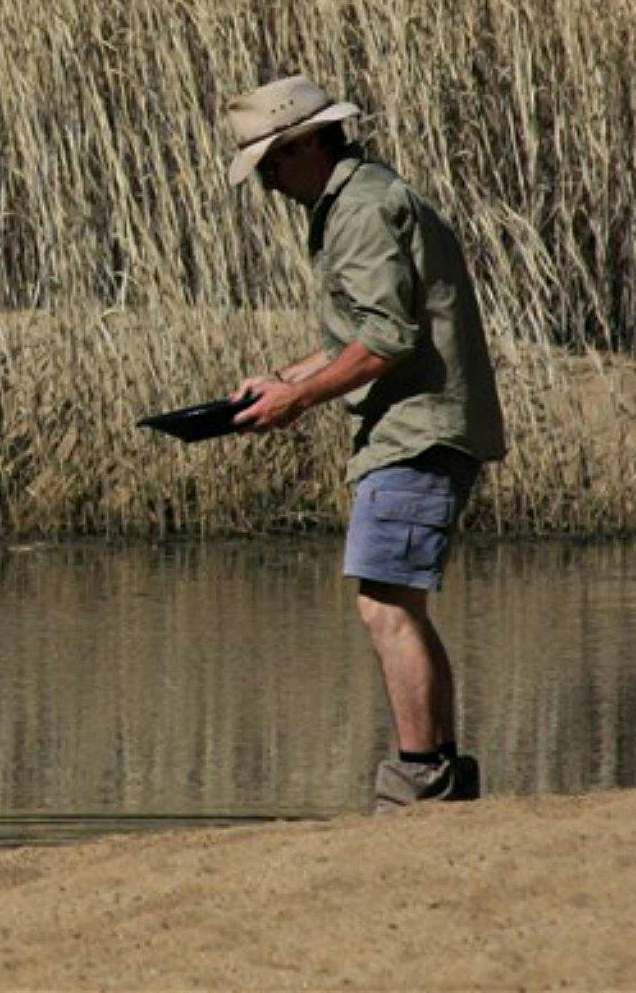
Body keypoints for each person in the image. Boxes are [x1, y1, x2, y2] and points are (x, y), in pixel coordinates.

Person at [224, 74, 507, 811]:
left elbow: (386, 338)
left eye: (274, 163)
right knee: (396, 600)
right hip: (417, 426)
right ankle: (438, 773)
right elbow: (363, 335)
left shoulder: (360, 209)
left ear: (311, 142)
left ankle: (418, 780)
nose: (269, 182)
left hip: (415, 429)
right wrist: (280, 377)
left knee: (385, 604)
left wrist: (297, 399)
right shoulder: (361, 198)